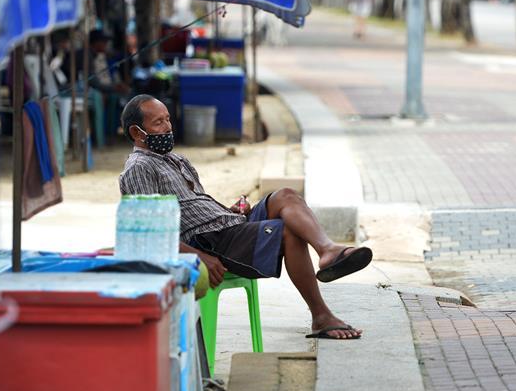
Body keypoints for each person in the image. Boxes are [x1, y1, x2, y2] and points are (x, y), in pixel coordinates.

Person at [118, 95, 371, 340]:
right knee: (287, 231)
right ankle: (321, 316)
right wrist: (198, 256)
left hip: (227, 226)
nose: (168, 127)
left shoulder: (177, 160)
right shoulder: (139, 168)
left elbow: (195, 206)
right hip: (209, 242)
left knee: (285, 196)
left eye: (168, 119)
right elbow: (149, 231)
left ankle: (327, 250)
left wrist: (230, 211)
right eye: (158, 123)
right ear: (137, 133)